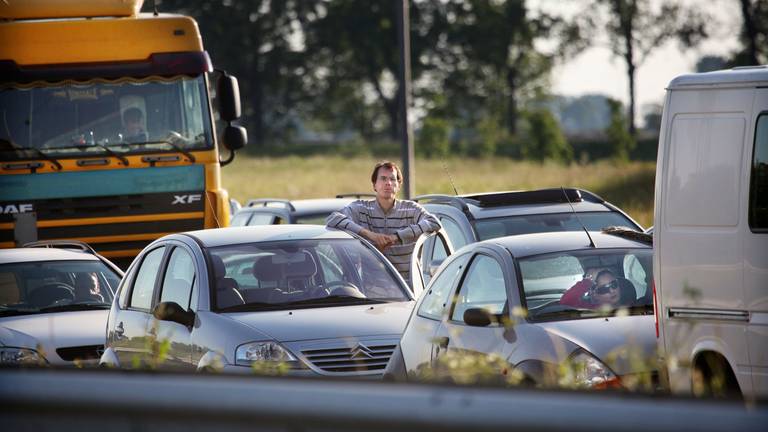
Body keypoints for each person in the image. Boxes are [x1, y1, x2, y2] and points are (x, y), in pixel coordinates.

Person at [326, 161, 441, 286]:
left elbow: (434, 222)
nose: (388, 183)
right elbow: (333, 218)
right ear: (374, 185)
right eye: (383, 178)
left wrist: (397, 237)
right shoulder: (361, 208)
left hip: (408, 291)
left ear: (398, 185)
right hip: (372, 292)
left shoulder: (411, 209)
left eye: (392, 179)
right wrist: (370, 235)